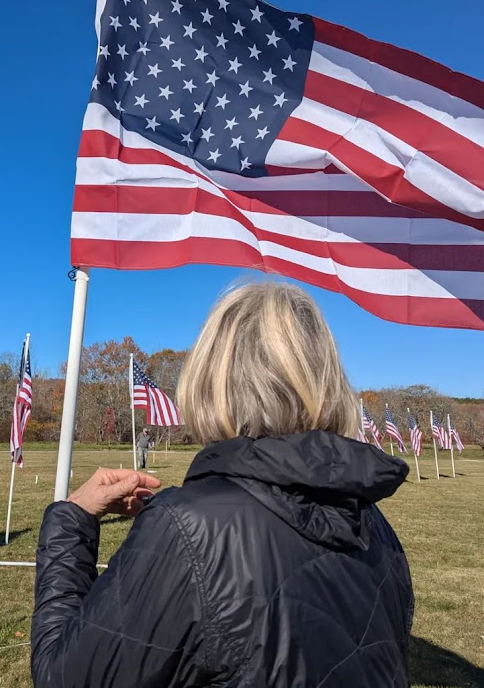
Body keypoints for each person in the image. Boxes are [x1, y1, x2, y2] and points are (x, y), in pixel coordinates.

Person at [31, 283, 413, 687]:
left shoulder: (189, 528)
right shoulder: (375, 524)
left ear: (214, 377)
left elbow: (63, 677)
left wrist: (72, 519)